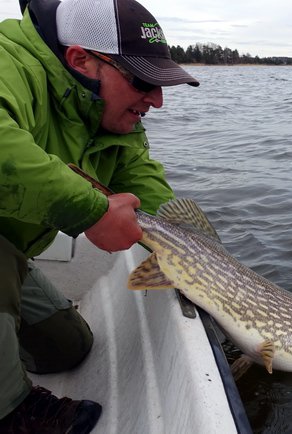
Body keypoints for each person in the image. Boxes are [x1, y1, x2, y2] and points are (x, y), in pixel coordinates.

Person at [0, 0, 199, 431]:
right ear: (81, 60)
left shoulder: (106, 114)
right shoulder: (8, 61)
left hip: (10, 251)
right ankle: (9, 414)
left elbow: (145, 188)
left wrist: (201, 257)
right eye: (144, 80)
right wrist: (90, 211)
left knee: (66, 348)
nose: (158, 100)